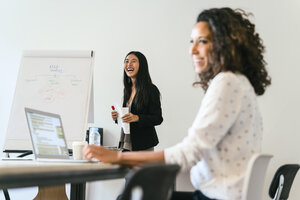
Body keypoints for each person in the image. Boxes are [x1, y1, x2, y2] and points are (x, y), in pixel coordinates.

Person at [84, 7, 271, 200]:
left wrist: (119, 157)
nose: (192, 50)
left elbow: (189, 152)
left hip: (216, 196)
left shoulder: (226, 82)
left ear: (224, 45)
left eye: (203, 41)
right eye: (192, 42)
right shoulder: (241, 82)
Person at [111, 51, 163, 151]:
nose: (129, 64)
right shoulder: (127, 89)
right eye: (126, 61)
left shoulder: (151, 89)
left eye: (133, 61)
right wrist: (117, 117)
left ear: (142, 66)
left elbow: (158, 118)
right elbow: (128, 116)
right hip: (126, 144)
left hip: (143, 146)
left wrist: (137, 118)